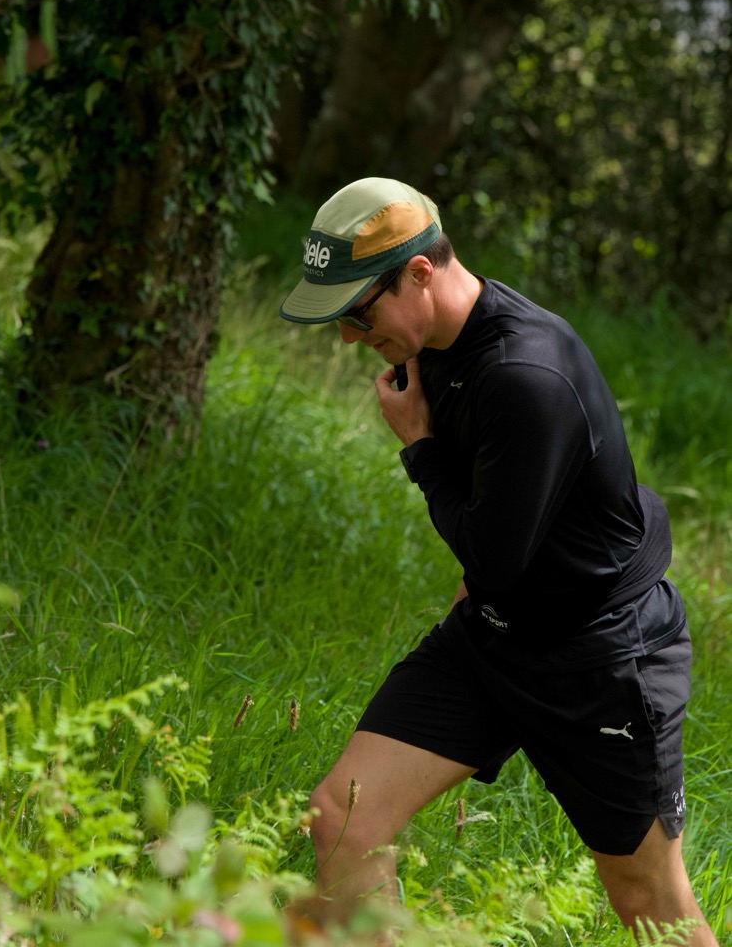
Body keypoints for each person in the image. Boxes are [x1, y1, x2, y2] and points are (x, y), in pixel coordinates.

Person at [279, 176, 718, 945]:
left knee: (647, 903)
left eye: (357, 312)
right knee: (343, 818)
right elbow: (503, 531)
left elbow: (494, 552)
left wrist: (419, 449)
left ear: (419, 273)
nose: (348, 338)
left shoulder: (524, 374)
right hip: (494, 631)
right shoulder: (435, 347)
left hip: (599, 660)